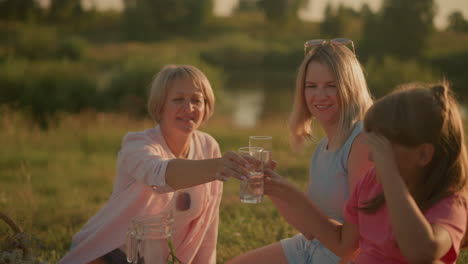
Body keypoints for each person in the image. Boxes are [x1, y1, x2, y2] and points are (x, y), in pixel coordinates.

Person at [58, 65, 252, 264]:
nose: (189, 107)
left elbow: (207, 227)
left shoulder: (208, 146)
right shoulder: (137, 145)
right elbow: (159, 176)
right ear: (160, 107)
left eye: (196, 100)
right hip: (110, 253)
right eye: (178, 99)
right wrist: (216, 167)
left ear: (206, 106)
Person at [261, 82, 468, 263]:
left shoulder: (450, 204)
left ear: (423, 155)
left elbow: (421, 251)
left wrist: (390, 177)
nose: (372, 159)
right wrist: (283, 190)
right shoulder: (372, 185)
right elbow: (343, 244)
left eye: (382, 150)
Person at [227, 38, 374, 264]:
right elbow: (310, 228)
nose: (320, 95)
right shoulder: (322, 147)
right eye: (311, 86)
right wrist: (273, 188)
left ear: (351, 86)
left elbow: (351, 248)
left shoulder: (362, 142)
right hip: (314, 247)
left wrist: (290, 192)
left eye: (331, 85)